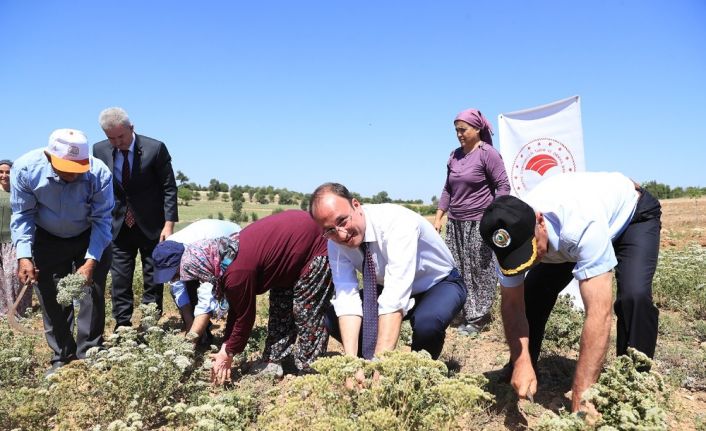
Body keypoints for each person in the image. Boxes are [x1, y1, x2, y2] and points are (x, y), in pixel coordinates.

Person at [479, 171, 661, 411]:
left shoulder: (579, 223)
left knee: (633, 297)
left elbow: (599, 312)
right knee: (532, 293)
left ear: (540, 222)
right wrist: (520, 360)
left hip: (632, 218)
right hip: (565, 240)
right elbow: (513, 305)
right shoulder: (506, 239)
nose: (529, 262)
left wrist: (581, 398)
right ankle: (523, 369)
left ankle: (634, 382)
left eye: (531, 252)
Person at [166, 211, 333, 383]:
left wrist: (228, 352)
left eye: (189, 275)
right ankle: (273, 361)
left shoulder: (235, 273)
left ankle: (310, 372)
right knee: (280, 307)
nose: (197, 279)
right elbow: (237, 308)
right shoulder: (222, 258)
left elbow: (245, 317)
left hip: (316, 246)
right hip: (290, 254)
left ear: (197, 266)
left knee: (307, 313)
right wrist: (226, 347)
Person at [309, 182, 467, 363]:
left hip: (439, 284)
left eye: (342, 221)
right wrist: (351, 365)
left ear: (356, 205)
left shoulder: (396, 223)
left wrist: (380, 366)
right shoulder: (335, 243)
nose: (342, 235)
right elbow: (347, 299)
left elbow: (394, 298)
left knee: (427, 323)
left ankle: (417, 373)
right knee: (332, 317)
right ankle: (365, 363)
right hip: (386, 286)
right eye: (329, 230)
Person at [10, 129, 113, 375]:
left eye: (78, 169)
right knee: (50, 294)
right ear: (49, 158)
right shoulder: (26, 169)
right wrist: (24, 255)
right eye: (65, 168)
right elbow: (23, 215)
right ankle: (62, 354)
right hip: (47, 235)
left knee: (92, 292)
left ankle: (90, 352)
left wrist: (90, 262)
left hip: (90, 233)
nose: (72, 175)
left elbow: (102, 220)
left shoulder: (99, 174)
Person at [93, 107, 178, 328]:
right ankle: (123, 326)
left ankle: (150, 324)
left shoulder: (155, 148)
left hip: (152, 225)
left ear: (132, 128)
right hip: (118, 225)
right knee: (120, 279)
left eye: (121, 136)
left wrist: (169, 224)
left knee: (153, 277)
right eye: (111, 138)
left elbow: (169, 187)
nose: (117, 142)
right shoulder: (99, 150)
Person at [433, 108, 510, 335]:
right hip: (455, 222)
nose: (459, 134)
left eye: (463, 129)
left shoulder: (488, 154)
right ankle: (460, 313)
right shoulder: (453, 155)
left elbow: (503, 186)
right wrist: (439, 217)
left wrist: (494, 214)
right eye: (456, 130)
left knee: (479, 270)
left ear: (477, 129)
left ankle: (478, 319)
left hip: (480, 221)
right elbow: (448, 188)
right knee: (455, 268)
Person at [152, 219, 241, 343]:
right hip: (203, 239)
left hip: (231, 239)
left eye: (173, 273)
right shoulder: (167, 251)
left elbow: (208, 297)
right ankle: (202, 333)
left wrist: (190, 341)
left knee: (230, 289)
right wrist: (189, 323)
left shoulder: (198, 257)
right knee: (187, 287)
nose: (172, 278)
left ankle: (232, 338)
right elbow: (178, 288)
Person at [2, 159, 32, 317]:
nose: (4, 175)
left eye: (7, 172)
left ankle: (21, 311)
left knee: (13, 275)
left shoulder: (19, 191)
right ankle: (4, 312)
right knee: (1, 279)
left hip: (13, 241)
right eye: (1, 172)